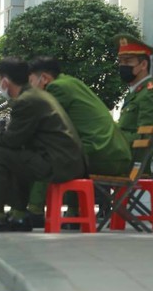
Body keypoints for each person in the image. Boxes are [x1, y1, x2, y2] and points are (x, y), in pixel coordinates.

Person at [0, 57, 86, 233]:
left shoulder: (27, 101)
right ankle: (19, 215)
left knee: (0, 155)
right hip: (65, 161)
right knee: (14, 155)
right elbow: (18, 140)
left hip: (60, 164)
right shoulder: (35, 96)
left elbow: (12, 139)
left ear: (4, 81)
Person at [27, 56, 132, 222]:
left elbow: (47, 127)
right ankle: (73, 213)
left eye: (31, 82)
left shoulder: (57, 88)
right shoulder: (70, 82)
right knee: (66, 153)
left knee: (46, 156)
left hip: (101, 155)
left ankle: (34, 211)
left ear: (44, 78)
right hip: (112, 154)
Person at [115, 34, 153, 150]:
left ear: (143, 65)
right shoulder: (136, 93)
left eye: (128, 61)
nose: (122, 66)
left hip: (129, 163)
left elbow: (144, 139)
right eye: (120, 61)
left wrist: (112, 139)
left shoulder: (151, 95)